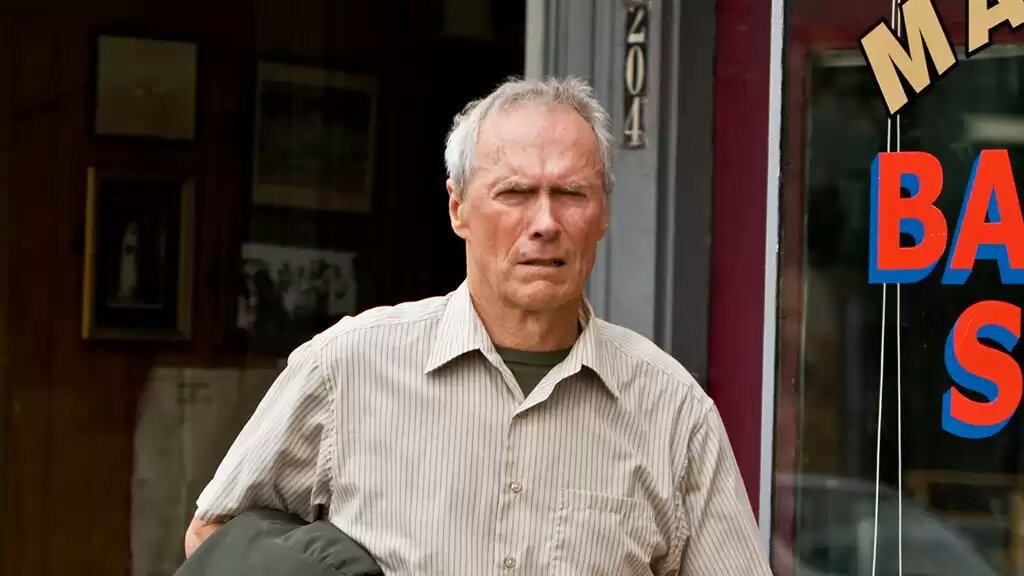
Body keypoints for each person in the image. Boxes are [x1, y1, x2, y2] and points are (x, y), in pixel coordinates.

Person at [185, 76, 773, 574]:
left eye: (571, 193)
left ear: (604, 214)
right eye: (515, 193)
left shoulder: (673, 413)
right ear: (458, 207)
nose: (545, 222)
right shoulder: (344, 369)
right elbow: (216, 539)